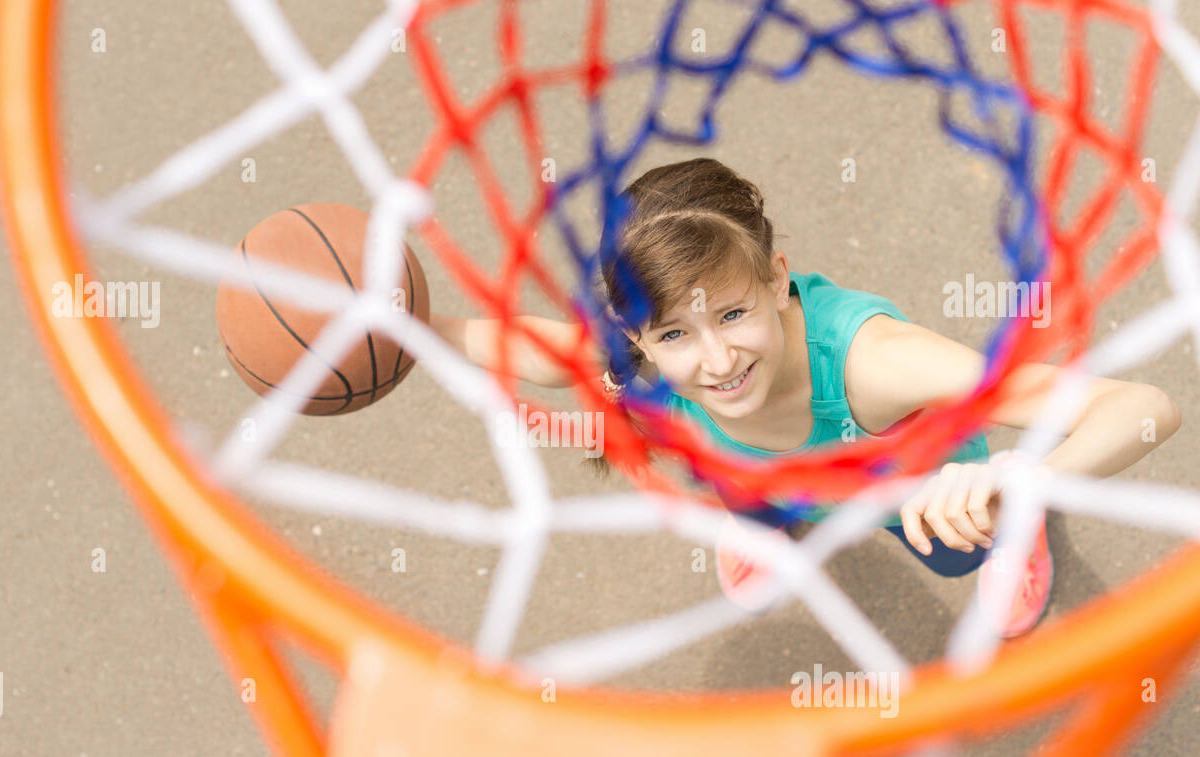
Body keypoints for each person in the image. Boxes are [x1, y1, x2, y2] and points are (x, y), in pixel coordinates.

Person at [431, 157, 1183, 637]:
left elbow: (1144, 405)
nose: (718, 360)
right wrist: (409, 322)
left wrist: (1021, 480)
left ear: (777, 278)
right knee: (744, 488)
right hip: (765, 478)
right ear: (635, 333)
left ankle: (1020, 531)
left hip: (909, 493)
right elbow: (530, 349)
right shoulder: (638, 346)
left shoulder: (873, 363)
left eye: (733, 314)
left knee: (960, 550)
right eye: (675, 336)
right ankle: (765, 526)